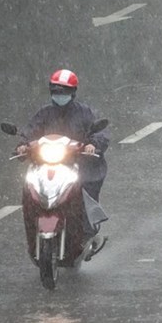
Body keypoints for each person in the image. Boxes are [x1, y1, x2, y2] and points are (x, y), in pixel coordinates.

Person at [16, 69, 110, 240]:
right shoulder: (44, 113)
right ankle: (33, 228)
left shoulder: (85, 112)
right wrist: (23, 146)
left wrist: (92, 145)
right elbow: (30, 132)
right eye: (56, 91)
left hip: (80, 164)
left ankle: (86, 233)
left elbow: (100, 133)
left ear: (73, 93)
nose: (60, 95)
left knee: (84, 191)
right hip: (48, 165)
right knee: (29, 190)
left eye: (64, 91)